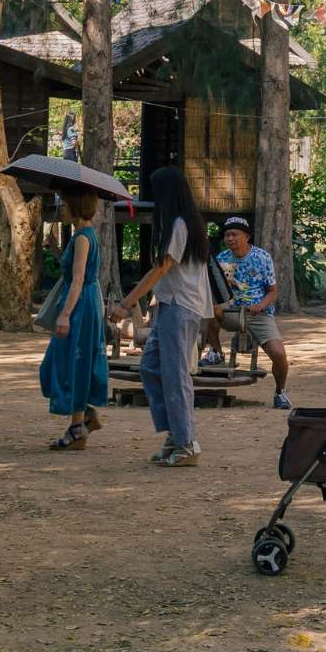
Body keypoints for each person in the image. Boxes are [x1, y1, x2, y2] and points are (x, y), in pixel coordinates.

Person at [114, 166, 212, 468]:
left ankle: (186, 443)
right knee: (151, 367)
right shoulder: (179, 224)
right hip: (170, 304)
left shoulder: (181, 225)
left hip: (181, 307)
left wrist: (127, 303)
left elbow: (159, 270)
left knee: (175, 375)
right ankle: (176, 434)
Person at [39, 190, 109, 450]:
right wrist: (57, 250)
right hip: (82, 300)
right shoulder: (81, 236)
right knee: (69, 360)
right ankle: (84, 417)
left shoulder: (82, 238)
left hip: (80, 304)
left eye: (65, 202)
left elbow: (78, 279)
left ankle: (78, 425)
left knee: (72, 361)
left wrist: (66, 314)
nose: (62, 208)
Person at [203, 216, 290, 409]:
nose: (230, 239)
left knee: (278, 354)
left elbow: (273, 291)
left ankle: (280, 392)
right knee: (209, 309)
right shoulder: (221, 259)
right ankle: (216, 351)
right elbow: (216, 290)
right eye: (227, 235)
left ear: (247, 236)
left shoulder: (262, 257)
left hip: (258, 313)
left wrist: (260, 305)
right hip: (231, 310)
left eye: (234, 234)